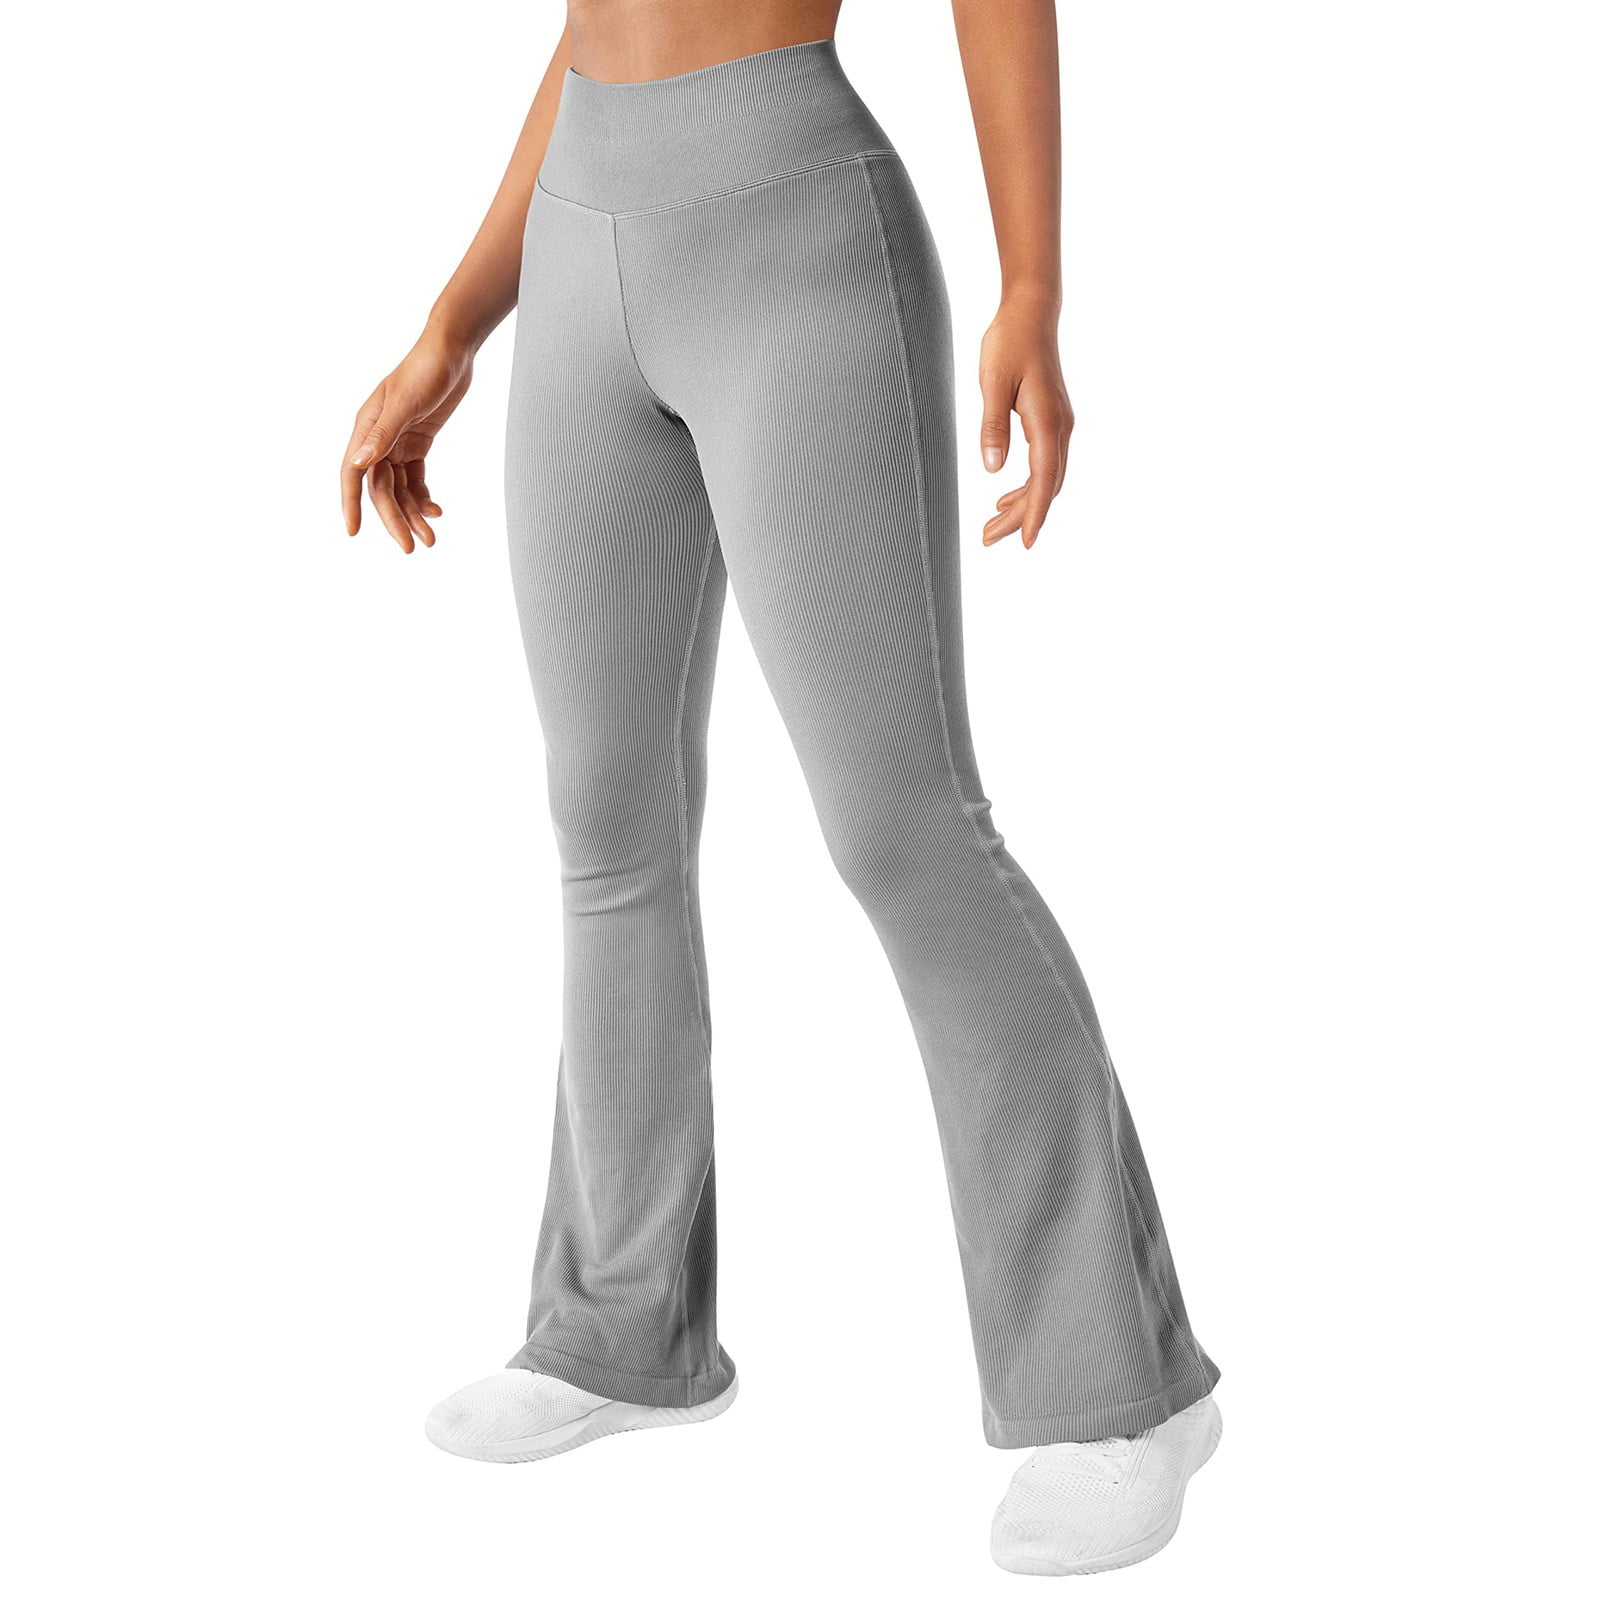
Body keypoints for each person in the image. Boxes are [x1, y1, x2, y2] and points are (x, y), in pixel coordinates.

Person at [340, 0, 1220, 1576]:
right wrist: (455, 321)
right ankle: (617, 1326)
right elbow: (595, 25)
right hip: (576, 246)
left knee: (905, 830)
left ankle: (1120, 1383)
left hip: (792, 239)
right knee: (605, 819)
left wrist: (1032, 286)